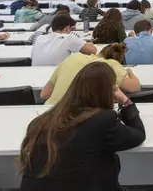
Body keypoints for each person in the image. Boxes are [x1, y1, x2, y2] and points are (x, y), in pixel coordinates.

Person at [19, 61, 145, 191]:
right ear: (108, 91)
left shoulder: (41, 121)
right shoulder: (103, 121)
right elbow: (138, 134)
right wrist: (125, 101)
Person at [39, 43, 141, 106]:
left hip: (49, 113)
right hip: (76, 121)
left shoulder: (73, 57)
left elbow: (44, 94)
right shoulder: (111, 65)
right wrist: (128, 71)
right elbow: (135, 87)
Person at [32, 15, 97, 66]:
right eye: (71, 29)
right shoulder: (69, 37)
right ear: (67, 28)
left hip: (35, 75)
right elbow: (93, 51)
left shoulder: (39, 38)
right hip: (57, 77)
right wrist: (89, 44)